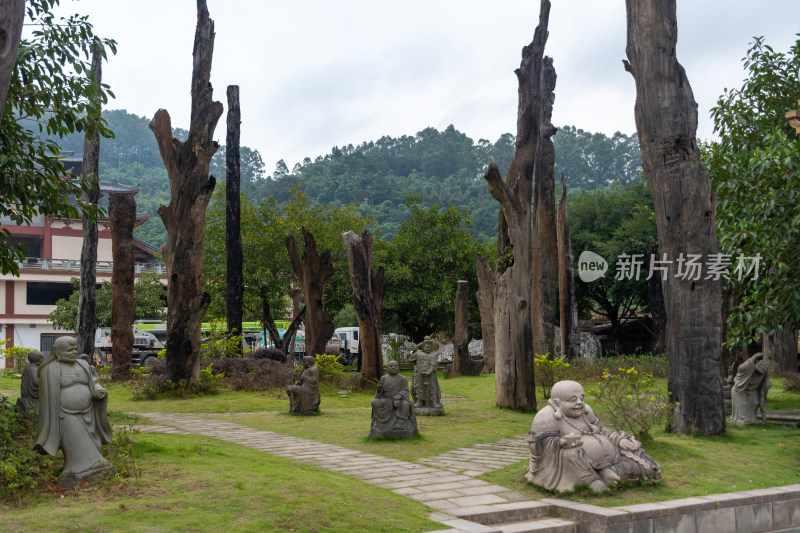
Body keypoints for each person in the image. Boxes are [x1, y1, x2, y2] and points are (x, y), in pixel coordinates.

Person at [526, 380, 661, 493]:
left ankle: (610, 472)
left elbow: (602, 430)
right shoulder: (546, 417)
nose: (579, 402)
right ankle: (592, 480)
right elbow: (536, 445)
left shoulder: (586, 411)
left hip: (610, 458)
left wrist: (618, 440)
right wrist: (561, 443)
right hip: (578, 462)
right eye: (573, 399)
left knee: (631, 446)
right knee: (570, 454)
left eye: (582, 398)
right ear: (557, 403)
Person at [34, 336, 112, 484]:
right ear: (58, 352)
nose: (74, 352)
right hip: (65, 414)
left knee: (94, 443)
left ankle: (97, 466)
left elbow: (93, 381)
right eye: (69, 350)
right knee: (76, 442)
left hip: (89, 412)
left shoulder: (83, 364)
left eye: (75, 349)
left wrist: (98, 389)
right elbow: (46, 397)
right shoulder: (49, 369)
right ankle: (77, 470)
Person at [369, 360, 417, 439]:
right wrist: (379, 389)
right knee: (374, 402)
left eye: (395, 366)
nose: (393, 367)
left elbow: (405, 390)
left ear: (398, 368)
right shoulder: (384, 378)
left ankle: (400, 423)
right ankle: (379, 423)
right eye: (391, 366)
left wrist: (399, 395)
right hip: (386, 399)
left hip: (399, 399)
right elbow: (380, 392)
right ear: (387, 368)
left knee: (405, 404)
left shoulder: (402, 378)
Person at [730, 352, 771, 424]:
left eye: (765, 368)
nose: (763, 368)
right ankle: (742, 420)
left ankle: (752, 419)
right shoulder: (749, 369)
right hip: (740, 389)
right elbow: (741, 368)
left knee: (755, 402)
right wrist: (753, 358)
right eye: (761, 366)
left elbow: (764, 388)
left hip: (752, 391)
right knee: (743, 404)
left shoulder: (763, 375)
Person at [407, 336, 443, 413]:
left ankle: (433, 402)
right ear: (423, 346)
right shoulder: (418, 353)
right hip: (419, 374)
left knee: (432, 387)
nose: (428, 348)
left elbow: (433, 365)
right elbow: (410, 359)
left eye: (430, 347)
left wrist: (429, 372)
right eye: (426, 346)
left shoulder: (433, 354)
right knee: (418, 387)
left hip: (430, 374)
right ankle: (419, 401)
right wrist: (415, 347)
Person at [15, 350, 43, 416]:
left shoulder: (28, 368)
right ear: (38, 359)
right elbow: (36, 382)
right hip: (32, 398)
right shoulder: (33, 369)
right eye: (42, 358)